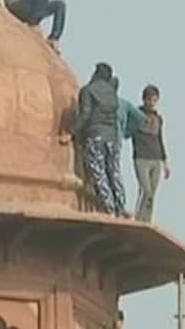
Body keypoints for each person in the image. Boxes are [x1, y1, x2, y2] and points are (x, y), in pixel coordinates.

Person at [67, 63, 146, 217]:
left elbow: (85, 115)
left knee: (99, 172)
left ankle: (108, 208)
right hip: (112, 138)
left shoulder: (87, 91)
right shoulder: (112, 95)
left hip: (95, 135)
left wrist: (71, 132)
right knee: (114, 171)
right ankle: (120, 206)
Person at [132, 84, 171, 223]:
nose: (152, 103)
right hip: (141, 157)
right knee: (145, 189)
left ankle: (146, 219)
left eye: (154, 100)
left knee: (152, 194)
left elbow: (160, 139)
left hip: (156, 158)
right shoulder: (136, 115)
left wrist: (165, 162)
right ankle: (137, 217)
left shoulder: (158, 119)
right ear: (144, 100)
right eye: (149, 100)